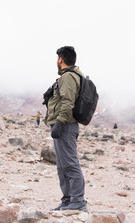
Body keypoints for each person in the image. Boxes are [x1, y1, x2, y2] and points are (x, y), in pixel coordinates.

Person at [44, 46, 87, 211]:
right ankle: (68, 200)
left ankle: (78, 200)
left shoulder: (68, 77)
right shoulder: (71, 76)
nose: (56, 61)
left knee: (70, 163)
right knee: (62, 165)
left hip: (66, 126)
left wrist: (60, 123)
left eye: (57, 59)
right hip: (64, 125)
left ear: (60, 59)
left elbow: (67, 102)